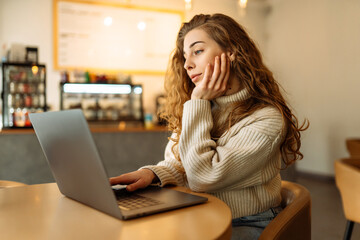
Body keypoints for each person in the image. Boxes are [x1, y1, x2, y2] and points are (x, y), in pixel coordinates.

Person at [110, 13, 308, 239]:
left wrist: (198, 102)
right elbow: (182, 164)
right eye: (185, 56)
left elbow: (202, 177)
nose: (187, 64)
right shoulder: (202, 107)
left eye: (198, 51)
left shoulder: (266, 118)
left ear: (231, 51)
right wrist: (152, 173)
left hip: (247, 222)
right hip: (201, 213)